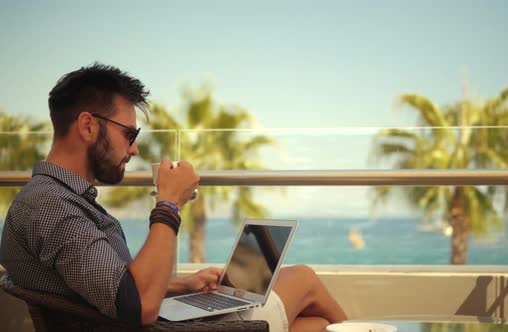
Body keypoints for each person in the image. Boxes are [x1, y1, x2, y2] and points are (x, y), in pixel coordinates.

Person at [0, 63, 347, 332]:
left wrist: (181, 286)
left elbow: (106, 287)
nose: (134, 149)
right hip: (150, 326)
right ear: (88, 126)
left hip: (141, 322)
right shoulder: (50, 207)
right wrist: (168, 203)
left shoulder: (56, 200)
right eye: (129, 134)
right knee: (303, 278)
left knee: (314, 326)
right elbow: (138, 306)